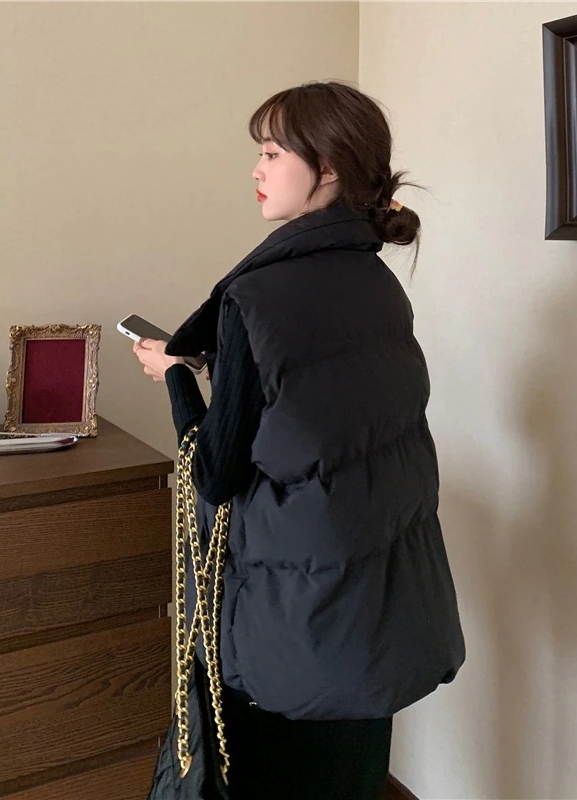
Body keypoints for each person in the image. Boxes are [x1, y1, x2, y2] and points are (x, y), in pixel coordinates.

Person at [136, 81, 465, 800]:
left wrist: (175, 376)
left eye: (271, 152)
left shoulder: (255, 296)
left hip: (294, 615)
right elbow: (313, 408)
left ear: (330, 165)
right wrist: (223, 366)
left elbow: (216, 471)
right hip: (377, 606)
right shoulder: (375, 278)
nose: (256, 170)